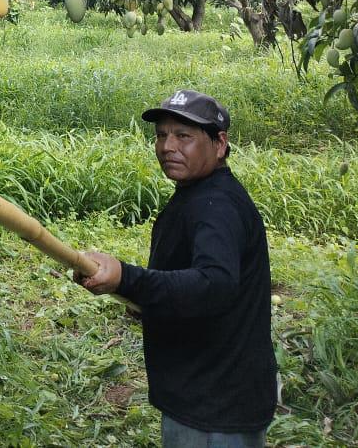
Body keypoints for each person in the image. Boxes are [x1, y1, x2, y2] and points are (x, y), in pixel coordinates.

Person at [74, 90, 277, 447]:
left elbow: (214, 285)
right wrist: (134, 291)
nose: (168, 146)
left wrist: (128, 276)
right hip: (208, 392)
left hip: (215, 408)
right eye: (162, 135)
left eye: (184, 136)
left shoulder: (216, 207)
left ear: (220, 144)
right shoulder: (200, 192)